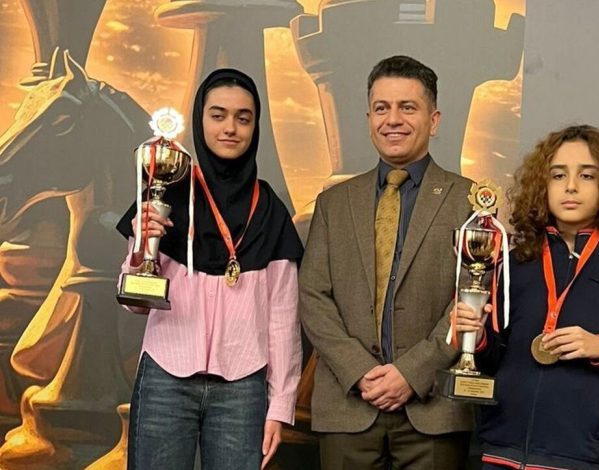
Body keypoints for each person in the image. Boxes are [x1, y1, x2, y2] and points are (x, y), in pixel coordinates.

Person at [451, 124, 599, 469]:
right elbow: (495, 357)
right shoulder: (516, 260)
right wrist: (477, 338)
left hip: (575, 455)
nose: (570, 186)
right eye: (558, 175)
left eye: (586, 175)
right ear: (542, 185)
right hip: (499, 450)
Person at [116, 68, 303, 470]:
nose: (230, 128)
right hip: (166, 375)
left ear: (256, 126)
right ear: (199, 119)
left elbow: (283, 319)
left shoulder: (270, 210)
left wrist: (280, 405)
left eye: (243, 118)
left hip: (243, 387)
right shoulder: (165, 194)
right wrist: (142, 246)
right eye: (218, 115)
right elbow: (135, 304)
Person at [298, 55, 474, 469]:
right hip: (348, 405)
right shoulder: (333, 203)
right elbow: (312, 296)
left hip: (433, 409)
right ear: (369, 119)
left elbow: (472, 298)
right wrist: (360, 371)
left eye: (407, 107)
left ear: (434, 120)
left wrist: (412, 373)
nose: (392, 120)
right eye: (381, 108)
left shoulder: (468, 201)